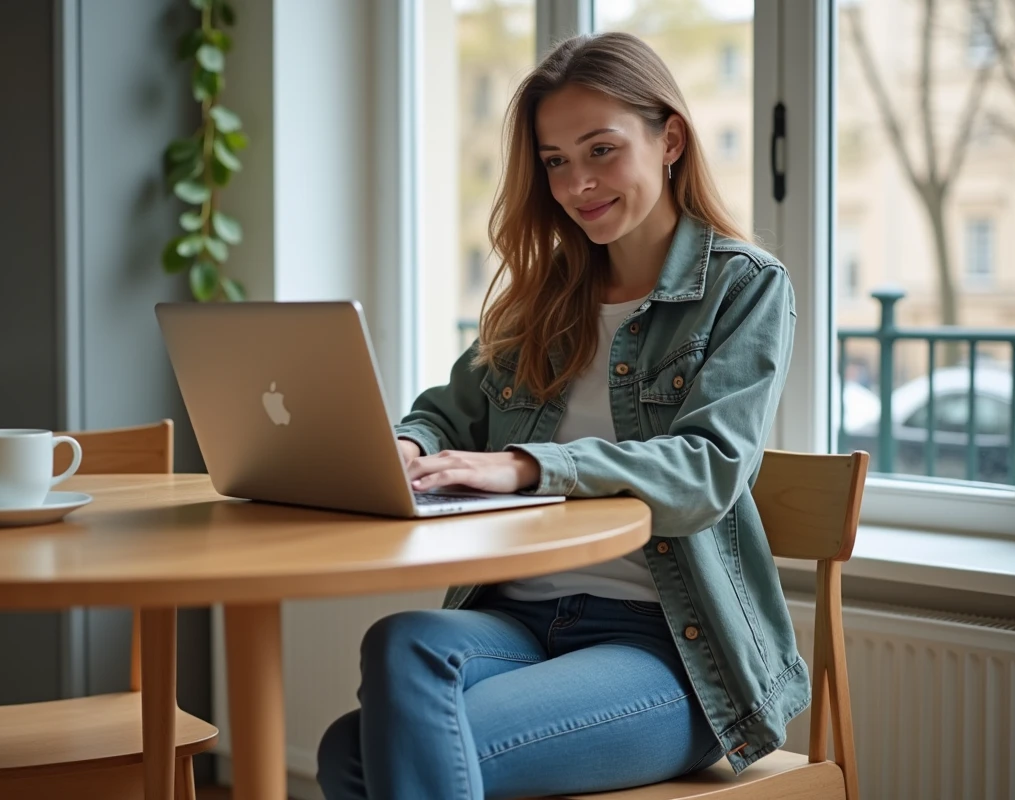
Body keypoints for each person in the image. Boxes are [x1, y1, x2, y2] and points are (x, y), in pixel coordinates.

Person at [316, 31, 805, 800]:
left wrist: (531, 465)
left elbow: (708, 469)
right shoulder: (546, 296)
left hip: (669, 651)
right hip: (518, 624)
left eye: (601, 150)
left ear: (669, 138)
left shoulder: (743, 288)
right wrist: (410, 445)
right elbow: (447, 414)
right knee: (399, 642)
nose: (579, 183)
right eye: (555, 162)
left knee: (360, 755)